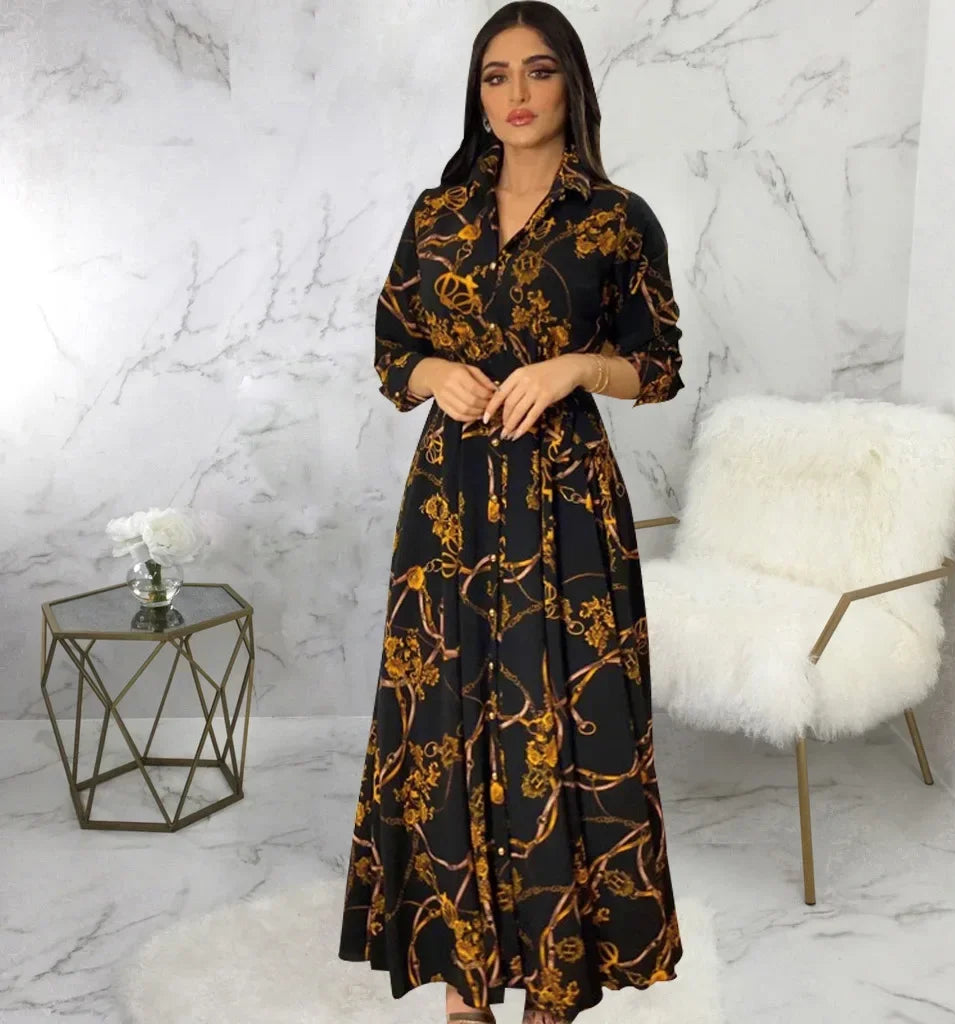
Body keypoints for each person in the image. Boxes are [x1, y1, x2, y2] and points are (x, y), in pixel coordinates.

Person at [339, 4, 686, 1022]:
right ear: (478, 94)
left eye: (538, 71)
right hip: (448, 506)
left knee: (566, 725)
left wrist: (575, 365)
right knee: (447, 721)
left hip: (565, 503)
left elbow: (658, 366)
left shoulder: (617, 218)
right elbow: (392, 348)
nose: (518, 93)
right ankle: (465, 979)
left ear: (571, 83)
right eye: (496, 76)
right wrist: (433, 372)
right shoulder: (436, 214)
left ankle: (556, 980)